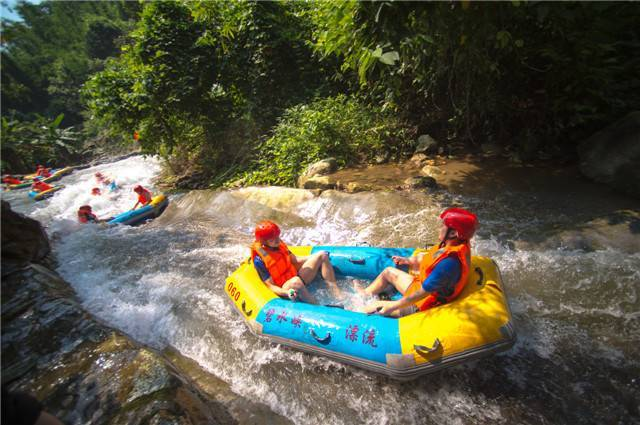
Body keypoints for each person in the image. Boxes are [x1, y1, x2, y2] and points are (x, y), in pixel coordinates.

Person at [360, 207, 478, 317]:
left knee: (373, 307)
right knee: (388, 272)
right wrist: (409, 261)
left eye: (443, 226)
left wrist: (392, 306)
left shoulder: (448, 264)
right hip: (422, 287)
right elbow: (432, 257)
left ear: (453, 233)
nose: (439, 228)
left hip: (425, 303)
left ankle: (358, 311)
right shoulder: (454, 244)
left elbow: (423, 293)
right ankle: (364, 294)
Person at [251, 220, 342, 304]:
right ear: (264, 242)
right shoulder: (259, 260)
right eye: (272, 240)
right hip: (285, 289)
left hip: (295, 277)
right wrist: (286, 292)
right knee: (296, 281)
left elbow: (296, 260)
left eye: (277, 236)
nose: (277, 240)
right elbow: (270, 286)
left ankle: (337, 294)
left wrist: (315, 257)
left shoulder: (279, 245)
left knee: (322, 255)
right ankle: (318, 306)